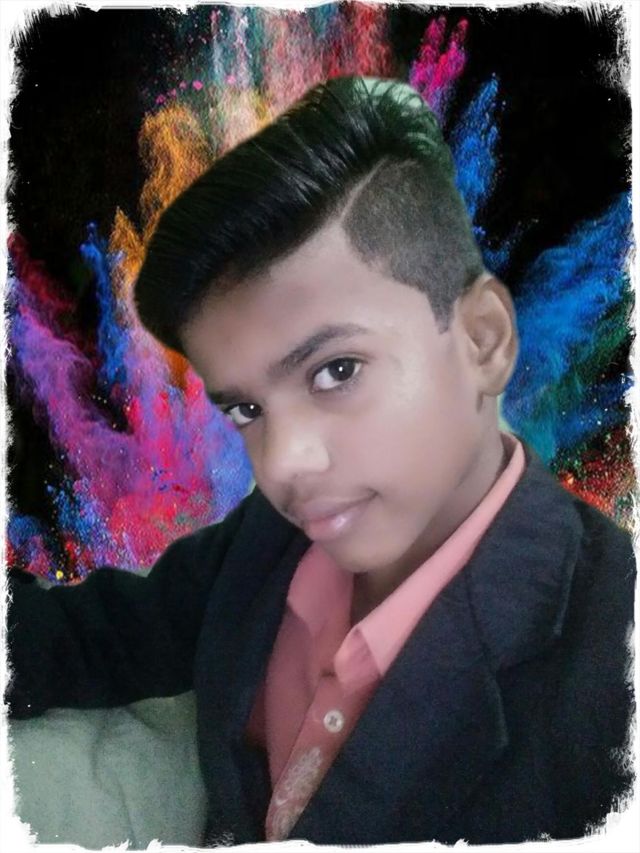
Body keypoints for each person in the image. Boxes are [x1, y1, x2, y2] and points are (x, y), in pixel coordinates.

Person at [7, 76, 635, 846]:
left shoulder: (611, 664)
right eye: (246, 409)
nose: (284, 464)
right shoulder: (266, 542)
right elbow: (97, 635)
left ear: (483, 340)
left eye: (336, 370)